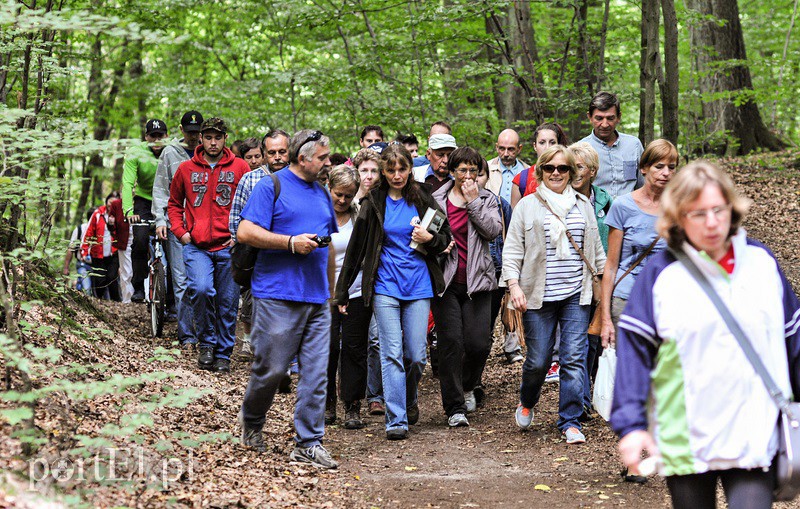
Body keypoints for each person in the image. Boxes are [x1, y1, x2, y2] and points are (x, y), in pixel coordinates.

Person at [611, 161, 800, 509]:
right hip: (686, 434)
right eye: (698, 214)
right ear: (679, 218)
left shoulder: (762, 264)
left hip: (752, 429)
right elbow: (635, 354)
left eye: (718, 209)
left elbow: (793, 344)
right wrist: (631, 425)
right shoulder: (661, 274)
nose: (712, 222)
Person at [237, 129, 338, 469]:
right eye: (322, 158)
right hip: (276, 294)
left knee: (316, 373)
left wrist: (332, 292)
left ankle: (308, 442)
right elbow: (245, 231)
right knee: (273, 369)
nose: (327, 163)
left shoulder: (323, 194)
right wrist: (290, 242)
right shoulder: (272, 186)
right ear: (302, 158)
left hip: (317, 299)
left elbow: (330, 248)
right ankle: (252, 420)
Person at [336, 144, 451, 441]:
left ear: (410, 168)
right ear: (383, 172)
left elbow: (444, 237)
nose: (397, 175)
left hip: (418, 284)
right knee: (390, 353)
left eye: (402, 169)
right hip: (385, 285)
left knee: (415, 355)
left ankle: (409, 398)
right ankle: (396, 417)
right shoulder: (374, 201)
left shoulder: (423, 197)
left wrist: (430, 238)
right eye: (391, 170)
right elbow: (356, 250)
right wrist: (342, 292)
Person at [502, 145, 606, 444]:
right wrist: (514, 286)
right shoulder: (527, 206)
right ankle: (527, 399)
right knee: (538, 360)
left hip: (576, 294)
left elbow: (595, 251)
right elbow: (512, 251)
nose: (557, 173)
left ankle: (570, 420)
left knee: (574, 358)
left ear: (572, 172)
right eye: (550, 168)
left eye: (563, 168)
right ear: (541, 172)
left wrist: (602, 285)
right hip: (538, 296)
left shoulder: (583, 204)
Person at [168, 117, 249, 373]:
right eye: (208, 137)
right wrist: (181, 232)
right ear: (200, 139)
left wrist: (239, 235)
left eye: (218, 137)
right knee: (201, 290)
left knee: (227, 301)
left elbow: (251, 204)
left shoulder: (240, 167)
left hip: (229, 246)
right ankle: (206, 343)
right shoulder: (185, 169)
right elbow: (173, 204)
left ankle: (224, 353)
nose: (213, 142)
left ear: (225, 138)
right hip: (197, 246)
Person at [431, 147, 501, 427]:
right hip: (446, 282)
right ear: (452, 171)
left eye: (474, 170)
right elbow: (426, 236)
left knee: (478, 344)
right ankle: (454, 406)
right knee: (451, 343)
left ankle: (470, 384)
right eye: (463, 170)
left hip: (479, 281)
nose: (468, 176)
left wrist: (474, 203)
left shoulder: (487, 199)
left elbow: (492, 231)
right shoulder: (435, 199)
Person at [600, 139, 677, 350]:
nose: (666, 173)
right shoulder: (622, 206)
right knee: (629, 368)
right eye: (659, 166)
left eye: (671, 167)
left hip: (666, 300)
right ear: (644, 168)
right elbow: (611, 265)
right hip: (627, 298)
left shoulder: (679, 208)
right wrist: (606, 318)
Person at [568, 142, 613, 418]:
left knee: (595, 342)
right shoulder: (560, 199)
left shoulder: (607, 202)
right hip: (572, 279)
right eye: (571, 166)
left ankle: (592, 392)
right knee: (577, 343)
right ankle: (580, 400)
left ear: (593, 171)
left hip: (602, 278)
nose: (574, 173)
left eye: (580, 167)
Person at [325, 165, 372, 429]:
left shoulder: (359, 216)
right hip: (323, 293)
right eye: (338, 194)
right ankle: (327, 402)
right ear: (329, 189)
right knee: (327, 349)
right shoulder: (318, 213)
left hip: (354, 291)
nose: (342, 200)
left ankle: (352, 405)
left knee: (354, 349)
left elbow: (365, 253)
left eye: (347, 195)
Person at [152, 110, 203, 349]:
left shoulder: (209, 152)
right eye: (189, 133)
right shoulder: (169, 153)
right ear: (181, 130)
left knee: (202, 283)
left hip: (204, 226)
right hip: (177, 224)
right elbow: (161, 189)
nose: (193, 138)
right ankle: (187, 336)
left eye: (197, 133)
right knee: (181, 281)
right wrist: (160, 220)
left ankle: (204, 332)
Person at [476, 160, 523, 365]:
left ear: (487, 177)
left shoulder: (499, 204)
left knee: (484, 329)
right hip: (460, 276)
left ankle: (474, 381)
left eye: (478, 174)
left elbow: (511, 239)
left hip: (493, 273)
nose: (472, 179)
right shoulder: (448, 202)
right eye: (465, 172)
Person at [351, 147, 385, 415]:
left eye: (374, 171)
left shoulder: (383, 203)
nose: (369, 176)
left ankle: (375, 394)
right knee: (352, 339)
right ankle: (351, 392)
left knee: (375, 338)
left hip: (376, 278)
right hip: (350, 280)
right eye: (365, 170)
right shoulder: (345, 202)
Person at [122, 119, 167, 302]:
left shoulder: (172, 152)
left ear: (166, 136)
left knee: (172, 244)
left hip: (167, 199)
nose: (156, 141)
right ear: (146, 137)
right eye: (152, 136)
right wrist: (128, 211)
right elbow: (127, 183)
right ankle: (139, 286)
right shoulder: (136, 153)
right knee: (140, 239)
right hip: (144, 201)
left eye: (160, 136)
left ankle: (171, 298)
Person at [580, 92, 644, 199]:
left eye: (610, 118)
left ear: (618, 117)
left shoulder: (634, 145)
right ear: (590, 117)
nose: (605, 124)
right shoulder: (581, 149)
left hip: (629, 212)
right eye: (599, 118)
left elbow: (643, 185)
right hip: (596, 213)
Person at [511, 123, 569, 208]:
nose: (547, 147)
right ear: (535, 146)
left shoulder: (567, 174)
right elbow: (515, 218)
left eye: (552, 142)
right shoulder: (521, 179)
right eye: (542, 142)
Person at [81, 192, 123, 301]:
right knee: (100, 279)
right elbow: (88, 233)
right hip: (97, 254)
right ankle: (98, 301)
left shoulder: (120, 214)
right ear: (106, 201)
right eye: (110, 202)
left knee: (112, 278)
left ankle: (117, 303)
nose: (111, 204)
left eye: (114, 202)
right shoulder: (97, 214)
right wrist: (84, 251)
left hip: (114, 254)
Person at [486, 129, 528, 203]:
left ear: (519, 148)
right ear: (496, 147)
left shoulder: (528, 172)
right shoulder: (486, 169)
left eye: (511, 149)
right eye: (502, 148)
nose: (506, 154)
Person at [63, 209, 95, 295]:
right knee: (87, 289)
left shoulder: (105, 230)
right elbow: (71, 249)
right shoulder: (80, 229)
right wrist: (66, 268)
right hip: (83, 263)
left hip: (100, 265)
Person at [106, 196, 132, 303]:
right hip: (124, 240)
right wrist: (111, 222)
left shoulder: (142, 202)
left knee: (139, 269)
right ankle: (127, 300)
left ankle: (144, 297)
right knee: (126, 271)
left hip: (141, 238)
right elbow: (111, 227)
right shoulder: (116, 205)